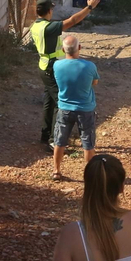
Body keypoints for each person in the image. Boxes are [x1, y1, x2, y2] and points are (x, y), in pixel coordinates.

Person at [31, 0, 101, 150]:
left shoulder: (36, 25)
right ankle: (54, 140)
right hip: (51, 67)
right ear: (50, 10)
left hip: (44, 66)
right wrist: (89, 8)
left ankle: (45, 135)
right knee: (60, 103)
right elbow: (73, 20)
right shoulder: (48, 27)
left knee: (49, 102)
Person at [51, 34, 99, 181]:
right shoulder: (89, 66)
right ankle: (89, 174)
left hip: (64, 108)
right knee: (87, 142)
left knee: (60, 141)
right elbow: (95, 82)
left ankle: (56, 170)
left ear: (63, 49)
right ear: (79, 48)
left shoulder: (57, 65)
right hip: (85, 109)